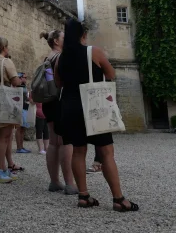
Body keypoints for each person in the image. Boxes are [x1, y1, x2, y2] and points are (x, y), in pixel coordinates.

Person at [56, 18, 139, 212]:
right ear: (83, 35)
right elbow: (111, 75)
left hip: (69, 106)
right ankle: (118, 199)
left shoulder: (61, 58)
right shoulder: (93, 52)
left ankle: (84, 196)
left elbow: (59, 84)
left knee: (78, 151)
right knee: (106, 152)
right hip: (93, 106)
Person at [40, 30, 78, 195]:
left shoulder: (47, 58)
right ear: (56, 41)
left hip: (49, 101)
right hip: (61, 101)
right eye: (64, 37)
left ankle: (55, 181)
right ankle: (70, 183)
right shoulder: (60, 57)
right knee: (65, 142)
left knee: (54, 142)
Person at [0, 36, 23, 183]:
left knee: (4, 135)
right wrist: (20, 80)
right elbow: (15, 81)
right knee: (4, 137)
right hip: (7, 100)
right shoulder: (6, 62)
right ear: (5, 47)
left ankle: (3, 168)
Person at [15, 72, 32, 154]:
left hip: (25, 108)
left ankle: (21, 146)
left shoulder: (24, 86)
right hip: (20, 108)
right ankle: (18, 147)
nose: (26, 79)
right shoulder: (17, 85)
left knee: (23, 128)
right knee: (19, 128)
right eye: (25, 77)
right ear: (20, 78)